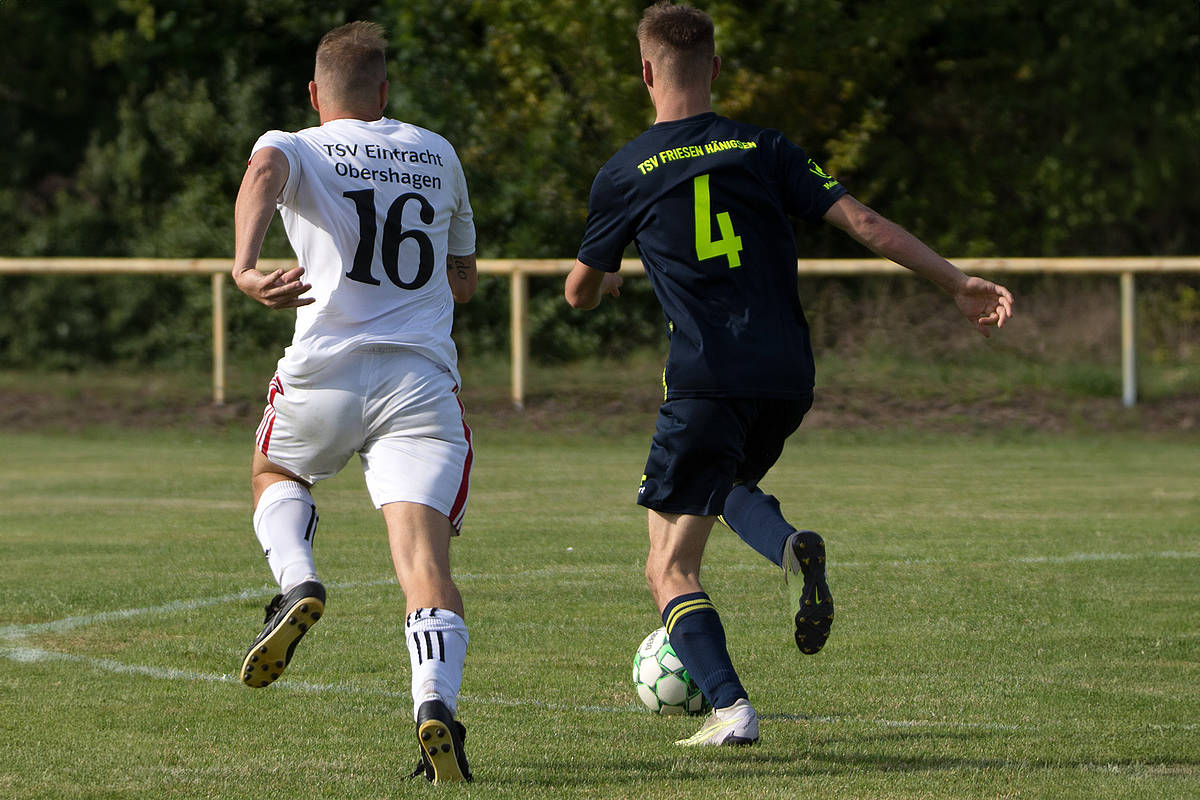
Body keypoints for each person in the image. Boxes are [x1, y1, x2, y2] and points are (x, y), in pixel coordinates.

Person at [566, 2, 1014, 747]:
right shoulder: (764, 146)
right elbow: (865, 223)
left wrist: (607, 279)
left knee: (666, 566)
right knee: (726, 484)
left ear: (645, 72)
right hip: (786, 376)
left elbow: (580, 290)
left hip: (705, 377)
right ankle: (789, 545)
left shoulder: (626, 171)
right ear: (713, 67)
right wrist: (955, 282)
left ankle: (730, 708)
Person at [232, 21, 478, 784]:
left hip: (326, 372)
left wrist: (245, 267)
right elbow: (462, 279)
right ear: (384, 92)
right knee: (423, 561)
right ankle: (434, 706)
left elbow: (264, 169)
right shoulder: (437, 152)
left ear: (314, 93)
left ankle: (297, 580)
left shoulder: (298, 142)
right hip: (420, 386)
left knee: (274, 470)